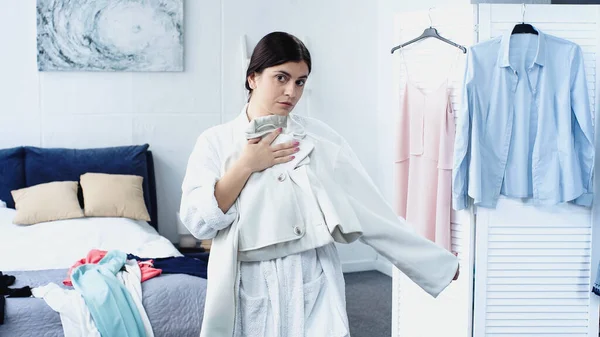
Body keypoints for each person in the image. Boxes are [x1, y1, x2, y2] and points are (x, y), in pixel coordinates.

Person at [180, 31, 459, 337]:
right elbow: (198, 223)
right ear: (253, 79)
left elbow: (373, 214)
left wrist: (437, 264)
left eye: (300, 81)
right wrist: (246, 165)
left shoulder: (320, 139)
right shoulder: (215, 142)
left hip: (311, 276)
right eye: (281, 78)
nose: (291, 92)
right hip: (248, 281)